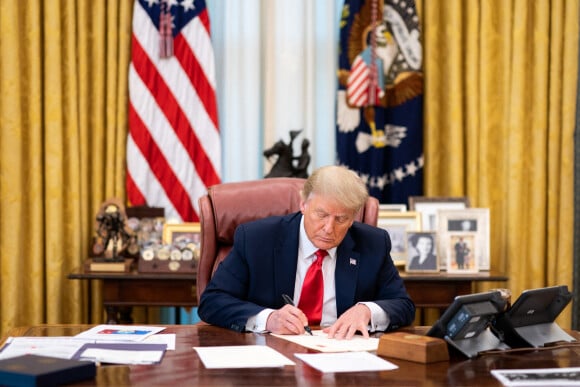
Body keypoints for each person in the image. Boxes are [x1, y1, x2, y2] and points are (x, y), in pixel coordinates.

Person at [198, 165, 415, 340]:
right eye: (321, 215)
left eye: (341, 219)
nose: (329, 228)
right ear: (303, 204)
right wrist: (268, 318)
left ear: (353, 217)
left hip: (341, 357)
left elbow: (404, 306)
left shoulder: (373, 243)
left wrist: (368, 310)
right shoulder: (256, 239)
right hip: (273, 358)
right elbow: (212, 301)